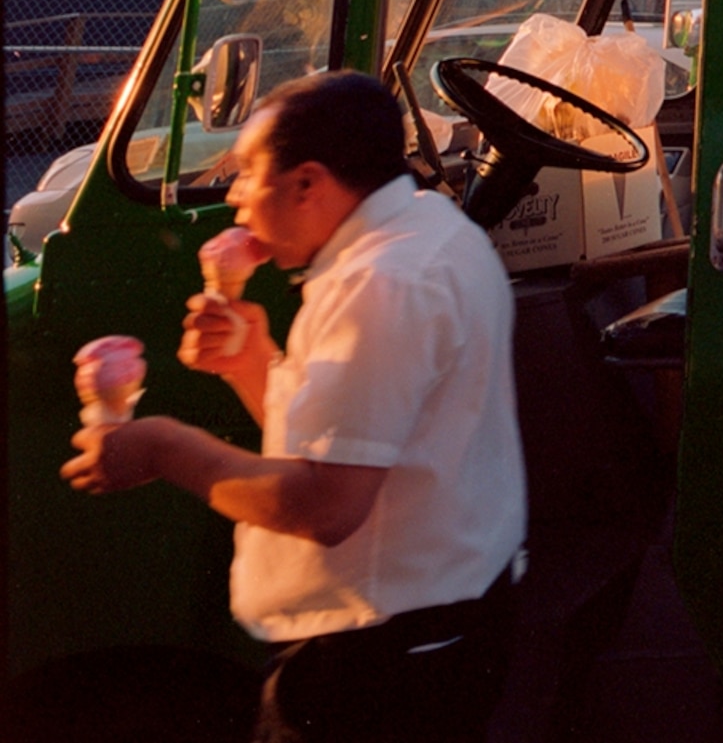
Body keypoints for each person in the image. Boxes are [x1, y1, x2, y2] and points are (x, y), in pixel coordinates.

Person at [64, 71, 524, 740]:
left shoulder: (381, 285)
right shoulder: (428, 227)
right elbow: (358, 441)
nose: (236, 198)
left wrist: (163, 446)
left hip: (381, 662)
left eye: (249, 174)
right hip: (443, 628)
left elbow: (326, 503)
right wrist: (253, 364)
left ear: (307, 184)